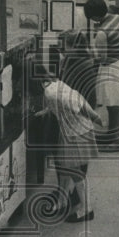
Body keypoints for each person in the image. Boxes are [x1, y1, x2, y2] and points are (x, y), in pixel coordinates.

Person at [37, 65, 103, 223]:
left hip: (76, 132)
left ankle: (87, 209)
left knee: (74, 171)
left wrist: (96, 118)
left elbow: (76, 103)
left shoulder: (49, 91)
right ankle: (63, 200)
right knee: (66, 166)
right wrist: (45, 111)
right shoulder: (55, 83)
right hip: (75, 129)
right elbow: (69, 101)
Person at [84, 0, 119, 151]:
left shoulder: (102, 33)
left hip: (114, 68)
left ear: (95, 17)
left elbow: (101, 57)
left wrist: (90, 50)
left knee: (113, 105)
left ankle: (116, 141)